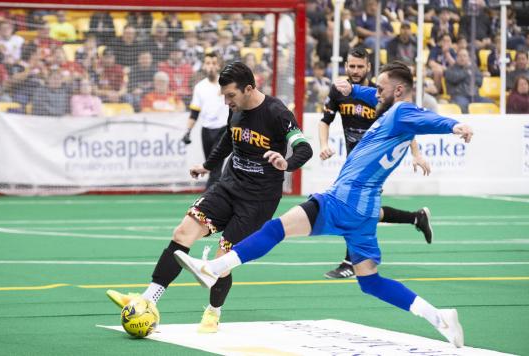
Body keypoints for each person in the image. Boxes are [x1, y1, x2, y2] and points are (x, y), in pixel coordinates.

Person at [175, 61, 473, 348]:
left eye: (380, 88)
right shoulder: (388, 108)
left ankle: (215, 267)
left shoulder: (402, 112)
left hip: (345, 198)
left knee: (277, 228)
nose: (374, 92)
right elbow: (367, 93)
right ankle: (439, 317)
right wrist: (350, 89)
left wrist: (454, 125)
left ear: (397, 91)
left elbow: (427, 119)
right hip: (366, 209)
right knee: (369, 281)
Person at [106, 61, 313, 334]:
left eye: (231, 96)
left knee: (222, 259)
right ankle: (147, 299)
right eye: (224, 96)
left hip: (258, 200)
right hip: (229, 185)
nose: (227, 102)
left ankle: (213, 312)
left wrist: (286, 163)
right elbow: (228, 140)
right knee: (182, 233)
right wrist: (207, 165)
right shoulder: (235, 110)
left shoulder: (277, 113)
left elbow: (304, 148)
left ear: (249, 89)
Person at [320, 47, 433, 279]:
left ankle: (351, 262)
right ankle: (415, 217)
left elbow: (404, 122)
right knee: (366, 210)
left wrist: (416, 153)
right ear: (345, 66)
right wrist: (323, 144)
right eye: (351, 66)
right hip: (354, 161)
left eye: (360, 66)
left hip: (375, 163)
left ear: (368, 67)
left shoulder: (380, 92)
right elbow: (325, 121)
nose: (355, 70)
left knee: (353, 207)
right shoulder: (340, 90)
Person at [181, 53, 228, 189]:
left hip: (223, 130)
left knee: (215, 166)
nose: (211, 66)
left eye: (214, 63)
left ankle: (206, 201)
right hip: (206, 131)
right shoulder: (200, 87)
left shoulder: (226, 84)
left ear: (219, 66)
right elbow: (194, 113)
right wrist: (187, 131)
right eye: (208, 63)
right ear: (203, 66)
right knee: (210, 166)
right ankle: (218, 198)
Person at [444, 48, 494, 114]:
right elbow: (455, 78)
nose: (462, 58)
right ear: (456, 57)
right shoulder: (450, 70)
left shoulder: (473, 69)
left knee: (490, 103)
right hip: (459, 96)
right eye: (460, 56)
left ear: (468, 58)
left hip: (475, 96)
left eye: (464, 56)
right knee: (463, 105)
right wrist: (467, 73)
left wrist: (469, 74)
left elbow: (480, 82)